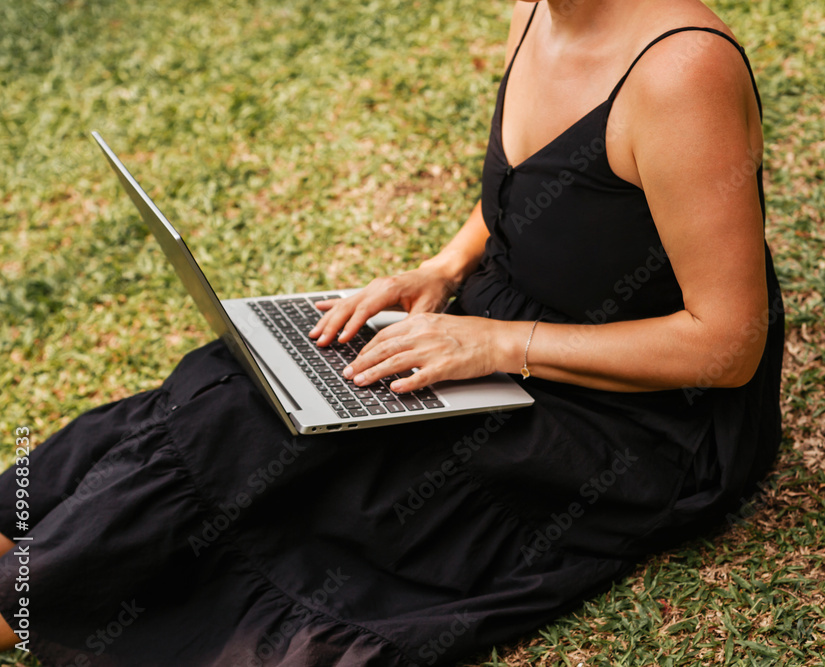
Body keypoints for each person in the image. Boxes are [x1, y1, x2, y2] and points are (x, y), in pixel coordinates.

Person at [0, 0, 784, 664]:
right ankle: (26, 527)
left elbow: (726, 344)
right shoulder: (537, 10)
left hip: (631, 418)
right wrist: (444, 269)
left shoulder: (683, 72)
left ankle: (27, 596)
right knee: (248, 378)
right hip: (504, 334)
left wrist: (496, 345)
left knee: (296, 448)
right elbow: (549, 186)